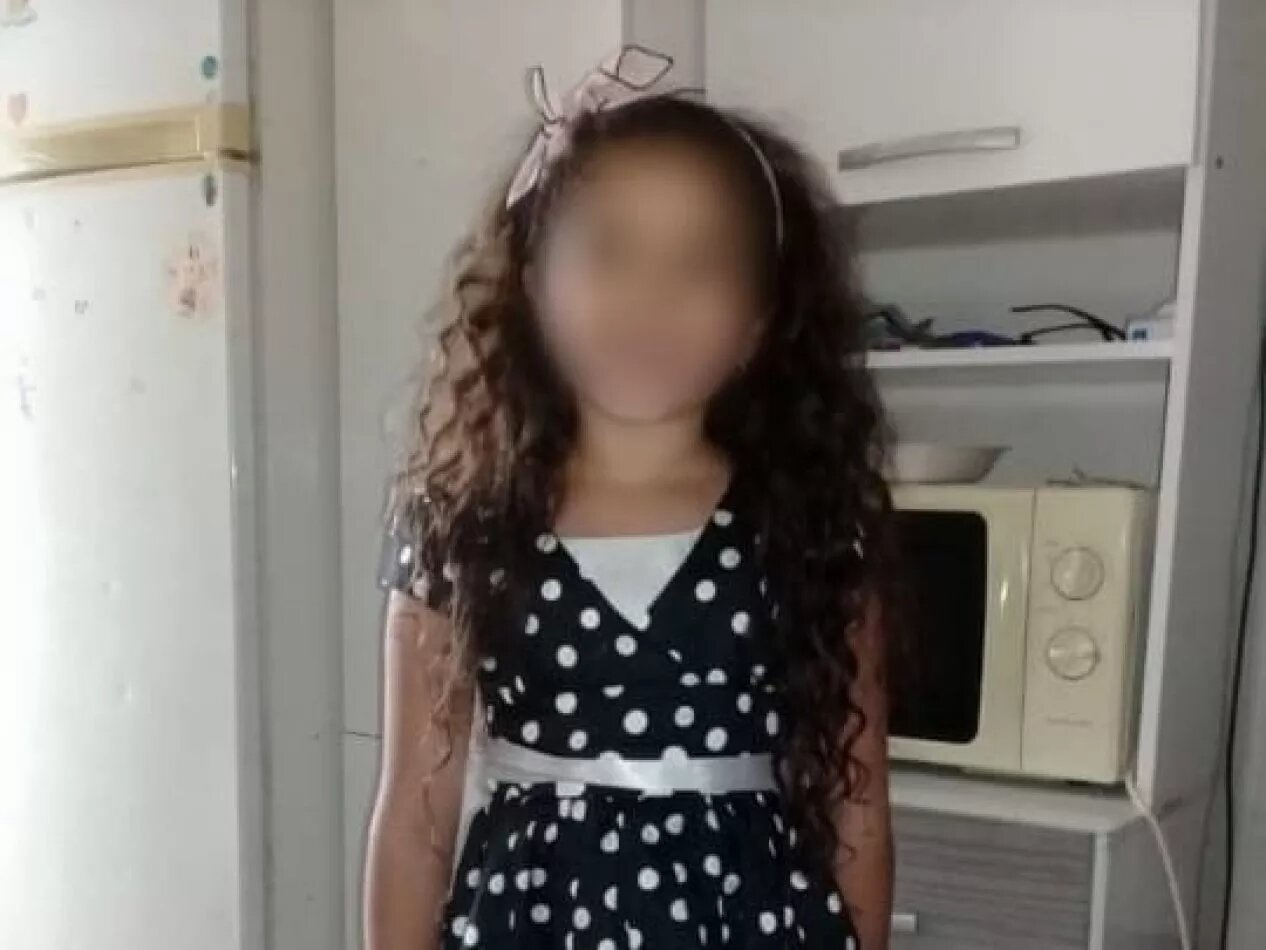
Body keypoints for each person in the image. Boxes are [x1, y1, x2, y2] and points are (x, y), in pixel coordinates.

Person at [364, 46, 894, 950]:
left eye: (700, 264)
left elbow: (860, 808)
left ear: (757, 321)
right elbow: (415, 820)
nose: (650, 298)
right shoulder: (460, 519)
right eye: (608, 252)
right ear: (533, 285)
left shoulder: (814, 522)